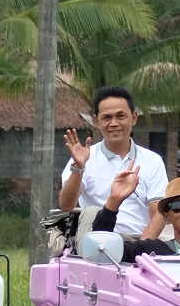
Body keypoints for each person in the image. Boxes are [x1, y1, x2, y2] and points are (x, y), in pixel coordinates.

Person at [60, 86, 167, 236]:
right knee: (91, 212)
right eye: (106, 118)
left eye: (120, 116)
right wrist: (78, 167)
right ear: (96, 120)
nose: (114, 123)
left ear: (134, 118)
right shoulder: (84, 159)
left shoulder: (153, 161)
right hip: (95, 240)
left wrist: (141, 248)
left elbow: (159, 214)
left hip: (137, 241)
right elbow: (66, 205)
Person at [90, 167, 180, 263]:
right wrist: (114, 200)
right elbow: (101, 247)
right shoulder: (150, 250)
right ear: (167, 218)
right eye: (177, 206)